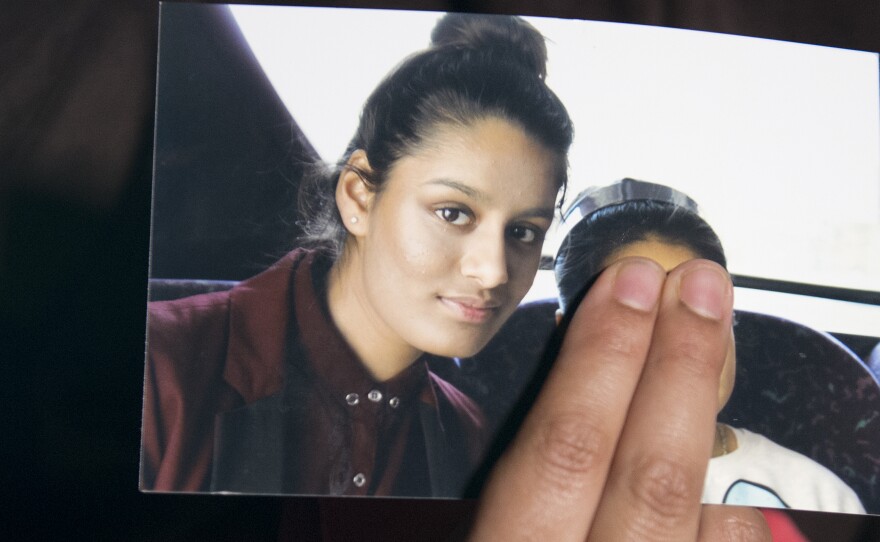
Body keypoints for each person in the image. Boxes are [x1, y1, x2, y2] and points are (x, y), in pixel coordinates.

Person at [141, 13, 573, 497]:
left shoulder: (468, 440)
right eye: (453, 213)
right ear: (359, 197)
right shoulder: (158, 368)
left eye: (522, 231)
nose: (493, 271)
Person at [552, 179, 865, 514]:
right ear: (566, 336)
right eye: (638, 315)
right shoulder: (543, 490)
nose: (681, 348)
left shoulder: (819, 498)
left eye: (702, 311)